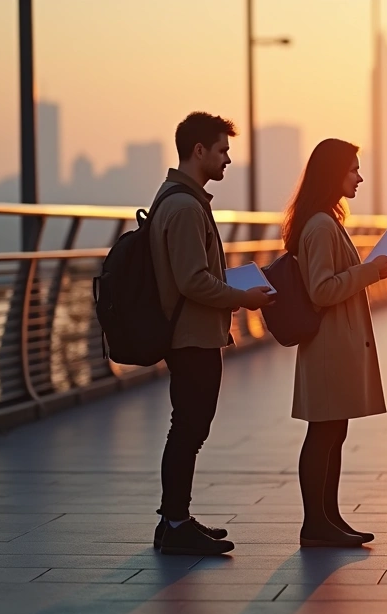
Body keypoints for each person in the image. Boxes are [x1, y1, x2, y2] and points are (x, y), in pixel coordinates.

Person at [149, 112, 275, 556]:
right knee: (188, 428)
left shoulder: (181, 199)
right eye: (221, 150)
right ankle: (175, 523)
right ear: (198, 151)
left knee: (188, 427)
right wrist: (244, 298)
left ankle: (174, 519)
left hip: (195, 333)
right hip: (192, 336)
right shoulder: (183, 206)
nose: (227, 159)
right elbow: (192, 280)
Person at [282, 138, 387, 548]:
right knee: (323, 434)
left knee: (333, 433)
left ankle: (328, 518)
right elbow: (321, 290)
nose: (359, 177)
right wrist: (370, 272)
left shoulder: (325, 221)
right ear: (333, 174)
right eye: (353, 170)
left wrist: (369, 270)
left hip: (334, 345)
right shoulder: (320, 225)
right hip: (329, 348)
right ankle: (316, 522)